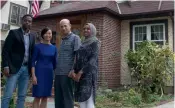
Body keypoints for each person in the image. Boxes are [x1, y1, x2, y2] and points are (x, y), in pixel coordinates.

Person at [1, 14, 36, 108]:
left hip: (26, 69)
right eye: (26, 21)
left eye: (30, 21)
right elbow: (5, 50)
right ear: (22, 21)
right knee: (7, 95)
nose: (28, 23)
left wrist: (32, 71)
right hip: (13, 68)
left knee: (22, 96)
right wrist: (5, 66)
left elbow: (32, 53)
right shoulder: (13, 33)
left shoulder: (32, 36)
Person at [54, 19, 81, 108]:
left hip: (68, 73)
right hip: (58, 73)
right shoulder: (62, 40)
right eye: (61, 26)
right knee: (58, 99)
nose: (63, 28)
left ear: (70, 26)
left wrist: (73, 69)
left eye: (65, 26)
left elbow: (78, 55)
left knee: (67, 99)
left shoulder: (75, 38)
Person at [73, 23, 100, 108]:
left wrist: (80, 72)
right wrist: (74, 70)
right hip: (79, 75)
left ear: (92, 30)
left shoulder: (95, 42)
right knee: (82, 100)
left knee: (89, 100)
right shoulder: (82, 42)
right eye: (84, 28)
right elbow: (77, 58)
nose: (85, 30)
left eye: (88, 29)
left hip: (89, 74)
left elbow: (92, 60)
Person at [31, 27, 58, 108]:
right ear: (42, 35)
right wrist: (33, 76)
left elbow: (55, 64)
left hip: (49, 74)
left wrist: (54, 76)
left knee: (45, 97)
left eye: (49, 33)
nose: (48, 35)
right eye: (46, 33)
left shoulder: (54, 48)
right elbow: (32, 62)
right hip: (39, 73)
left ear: (51, 35)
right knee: (37, 96)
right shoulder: (37, 46)